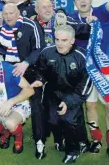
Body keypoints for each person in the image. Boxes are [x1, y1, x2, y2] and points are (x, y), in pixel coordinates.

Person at [70, 0, 109, 162]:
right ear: (75, 2)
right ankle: (97, 140)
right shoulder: (71, 20)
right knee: (90, 105)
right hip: (86, 71)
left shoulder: (101, 13)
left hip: (107, 69)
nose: (83, 1)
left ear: (90, 0)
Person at [0, 3, 46, 158]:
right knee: (0, 98)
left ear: (18, 12)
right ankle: (7, 130)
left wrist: (25, 63)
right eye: (5, 13)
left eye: (11, 13)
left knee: (35, 102)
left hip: (29, 70)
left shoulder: (31, 25)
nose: (8, 16)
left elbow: (39, 49)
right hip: (7, 72)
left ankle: (39, 140)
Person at [35, 25, 92, 163]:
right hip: (52, 93)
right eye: (57, 39)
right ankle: (62, 140)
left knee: (70, 120)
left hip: (73, 94)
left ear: (72, 41)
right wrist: (40, 80)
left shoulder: (82, 57)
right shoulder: (47, 52)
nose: (59, 43)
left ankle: (73, 150)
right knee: (53, 120)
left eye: (64, 40)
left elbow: (85, 86)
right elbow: (40, 71)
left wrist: (69, 101)